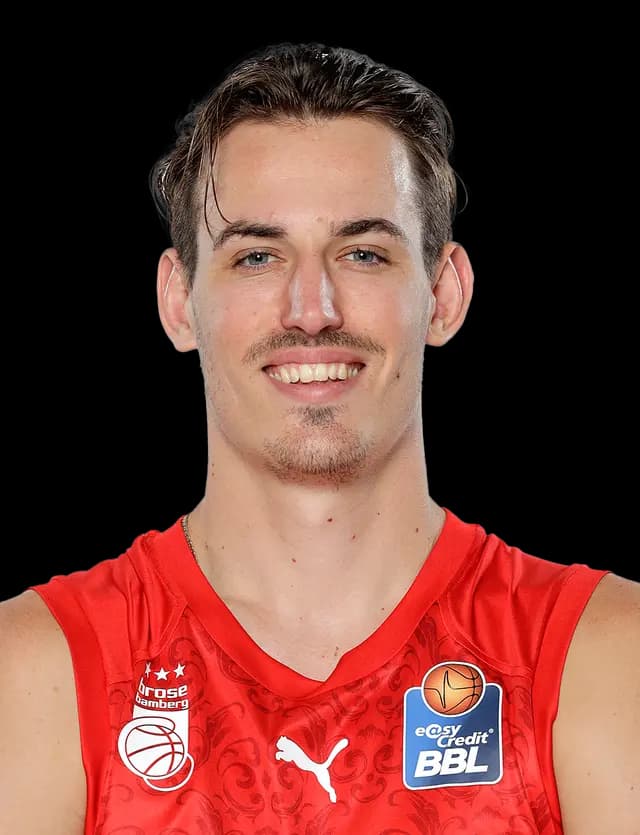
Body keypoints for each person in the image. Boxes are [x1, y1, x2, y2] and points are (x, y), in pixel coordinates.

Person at [1, 41, 637, 835]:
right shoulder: (39, 669)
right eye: (257, 256)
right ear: (178, 301)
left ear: (443, 295)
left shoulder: (601, 655)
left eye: (363, 252)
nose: (311, 308)